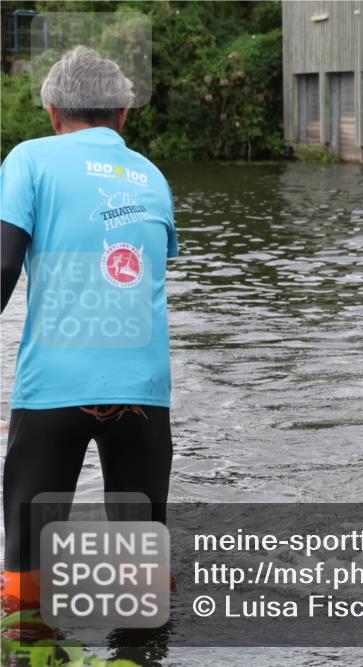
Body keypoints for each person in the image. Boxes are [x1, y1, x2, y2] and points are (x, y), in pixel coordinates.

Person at [0, 46, 178, 613]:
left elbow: (4, 264)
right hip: (144, 394)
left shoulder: (29, 159)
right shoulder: (151, 174)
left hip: (56, 386)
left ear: (53, 112)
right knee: (143, 576)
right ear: (123, 116)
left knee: (25, 576)